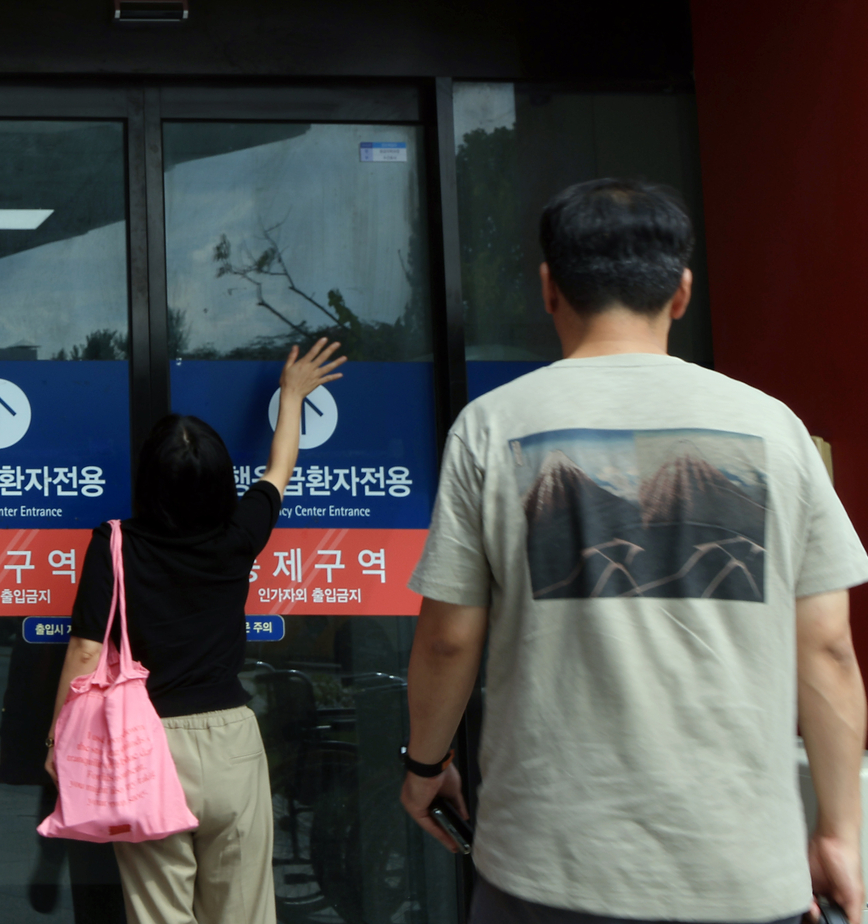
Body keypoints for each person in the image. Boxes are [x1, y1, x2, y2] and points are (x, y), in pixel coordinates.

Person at [401, 177, 868, 924]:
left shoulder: (492, 427)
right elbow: (828, 650)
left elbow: (449, 640)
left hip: (545, 866)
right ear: (680, 293)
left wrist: (425, 764)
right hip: (743, 870)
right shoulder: (774, 430)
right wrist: (838, 834)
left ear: (548, 288)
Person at [47, 338, 347, 924]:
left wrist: (58, 739)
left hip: (147, 745)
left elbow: (86, 649)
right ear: (216, 483)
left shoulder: (115, 544)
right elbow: (278, 469)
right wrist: (290, 396)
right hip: (233, 741)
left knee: (161, 914)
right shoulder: (239, 534)